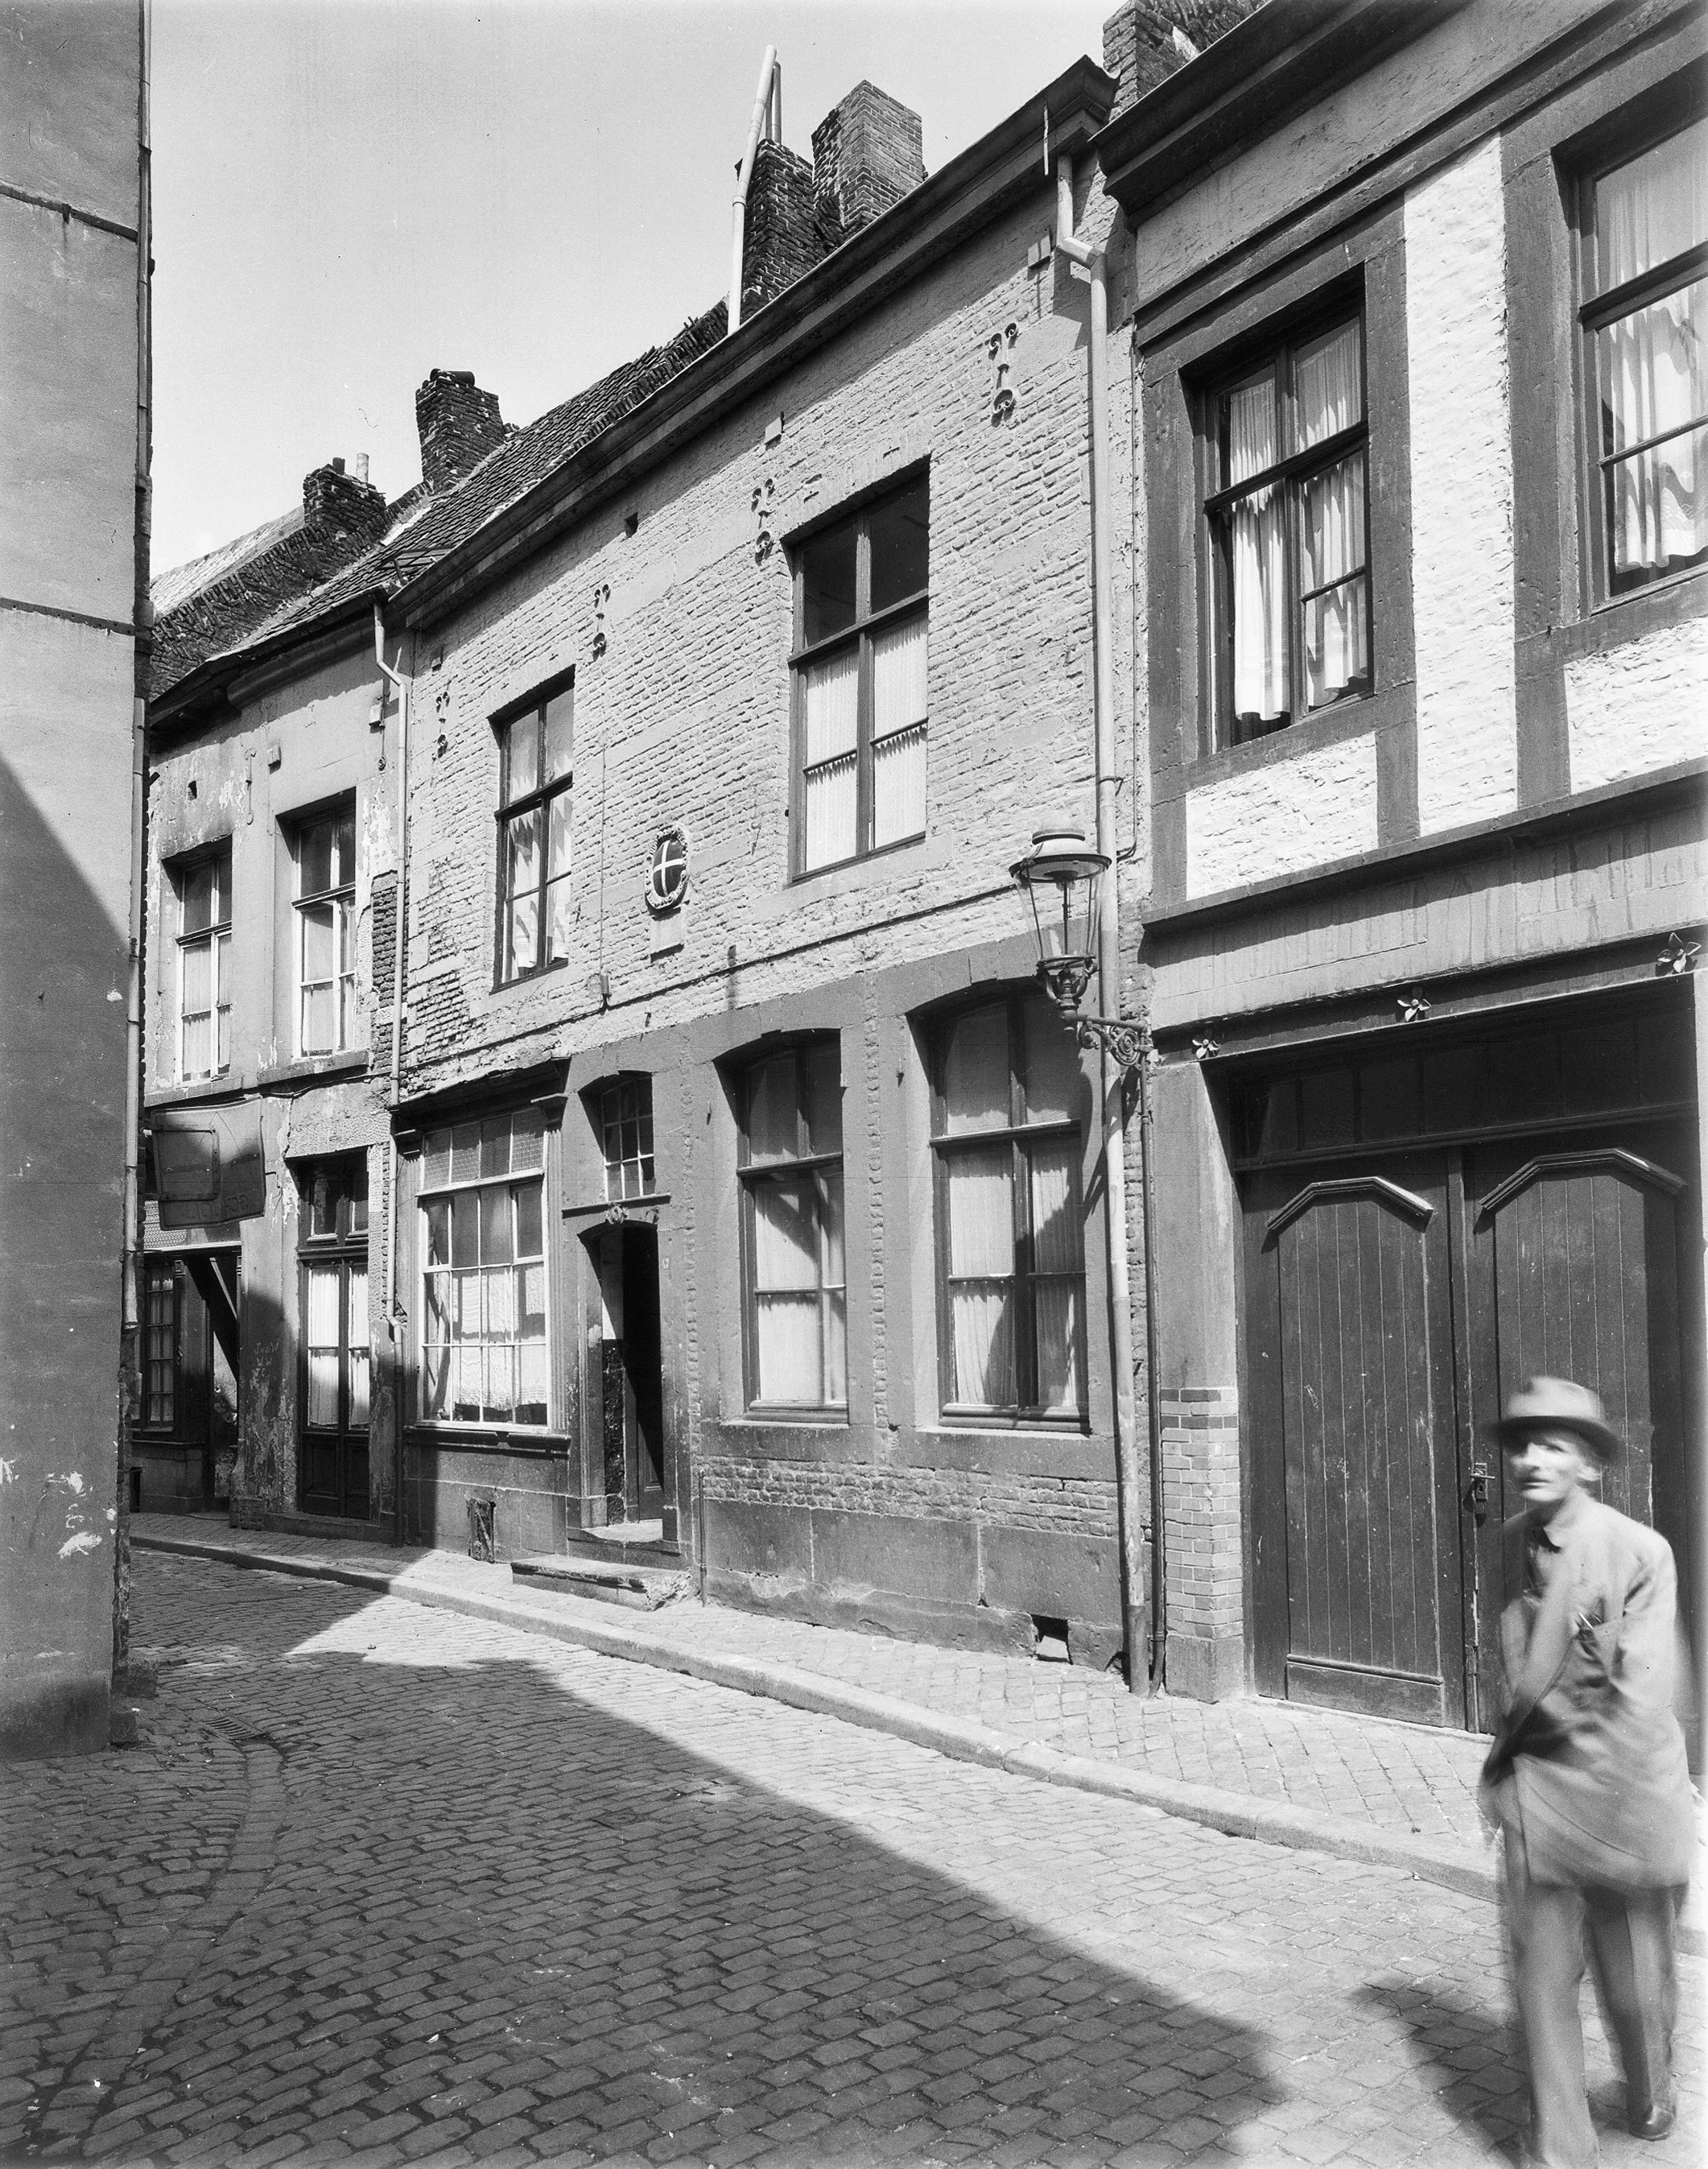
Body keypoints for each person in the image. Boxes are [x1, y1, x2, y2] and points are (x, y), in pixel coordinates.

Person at [1479, 1376, 1698, 2168]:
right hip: (1536, 1804)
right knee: (1541, 1988)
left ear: (1588, 1465)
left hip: (1623, 1804)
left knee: (1637, 1993)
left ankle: (1648, 2089)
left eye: (1553, 1445)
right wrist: (1507, 1771)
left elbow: (1639, 1706)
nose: (1531, 1460)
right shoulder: (1507, 1546)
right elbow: (1516, 1672)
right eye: (1522, 1444)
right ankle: (1558, 2153)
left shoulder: (1639, 1552)